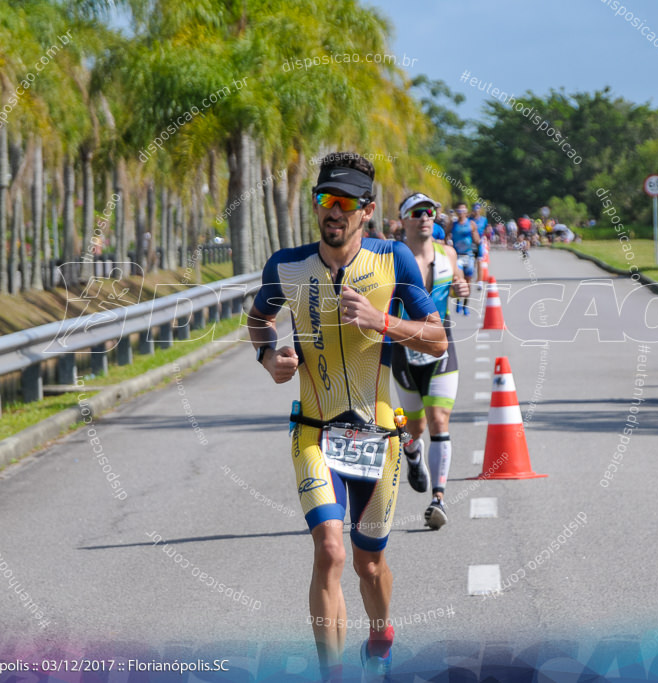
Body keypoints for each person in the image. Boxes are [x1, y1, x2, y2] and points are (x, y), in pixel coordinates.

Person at [247, 152, 447, 681]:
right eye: (323, 200)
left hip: (377, 438)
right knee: (331, 551)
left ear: (366, 210)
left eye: (344, 203)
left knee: (368, 563)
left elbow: (437, 335)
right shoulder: (285, 266)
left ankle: (381, 635)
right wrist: (270, 358)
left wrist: (384, 321)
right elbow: (258, 321)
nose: (332, 211)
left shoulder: (394, 259)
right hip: (313, 432)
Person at [392, 192, 470, 530]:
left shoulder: (447, 253)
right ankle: (412, 454)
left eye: (430, 212)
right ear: (403, 220)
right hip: (401, 347)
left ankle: (438, 499)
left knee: (439, 420)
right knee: (415, 427)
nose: (426, 217)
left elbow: (456, 286)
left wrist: (461, 288)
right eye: (417, 212)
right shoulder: (389, 256)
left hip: (441, 344)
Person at [447, 203, 479, 315]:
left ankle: (466, 305)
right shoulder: (453, 224)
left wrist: (479, 244)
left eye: (463, 211)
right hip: (458, 255)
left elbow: (477, 239)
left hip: (468, 255)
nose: (461, 213)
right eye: (459, 211)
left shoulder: (471, 224)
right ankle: (458, 302)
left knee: (468, 281)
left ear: (466, 212)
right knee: (458, 280)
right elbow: (445, 235)